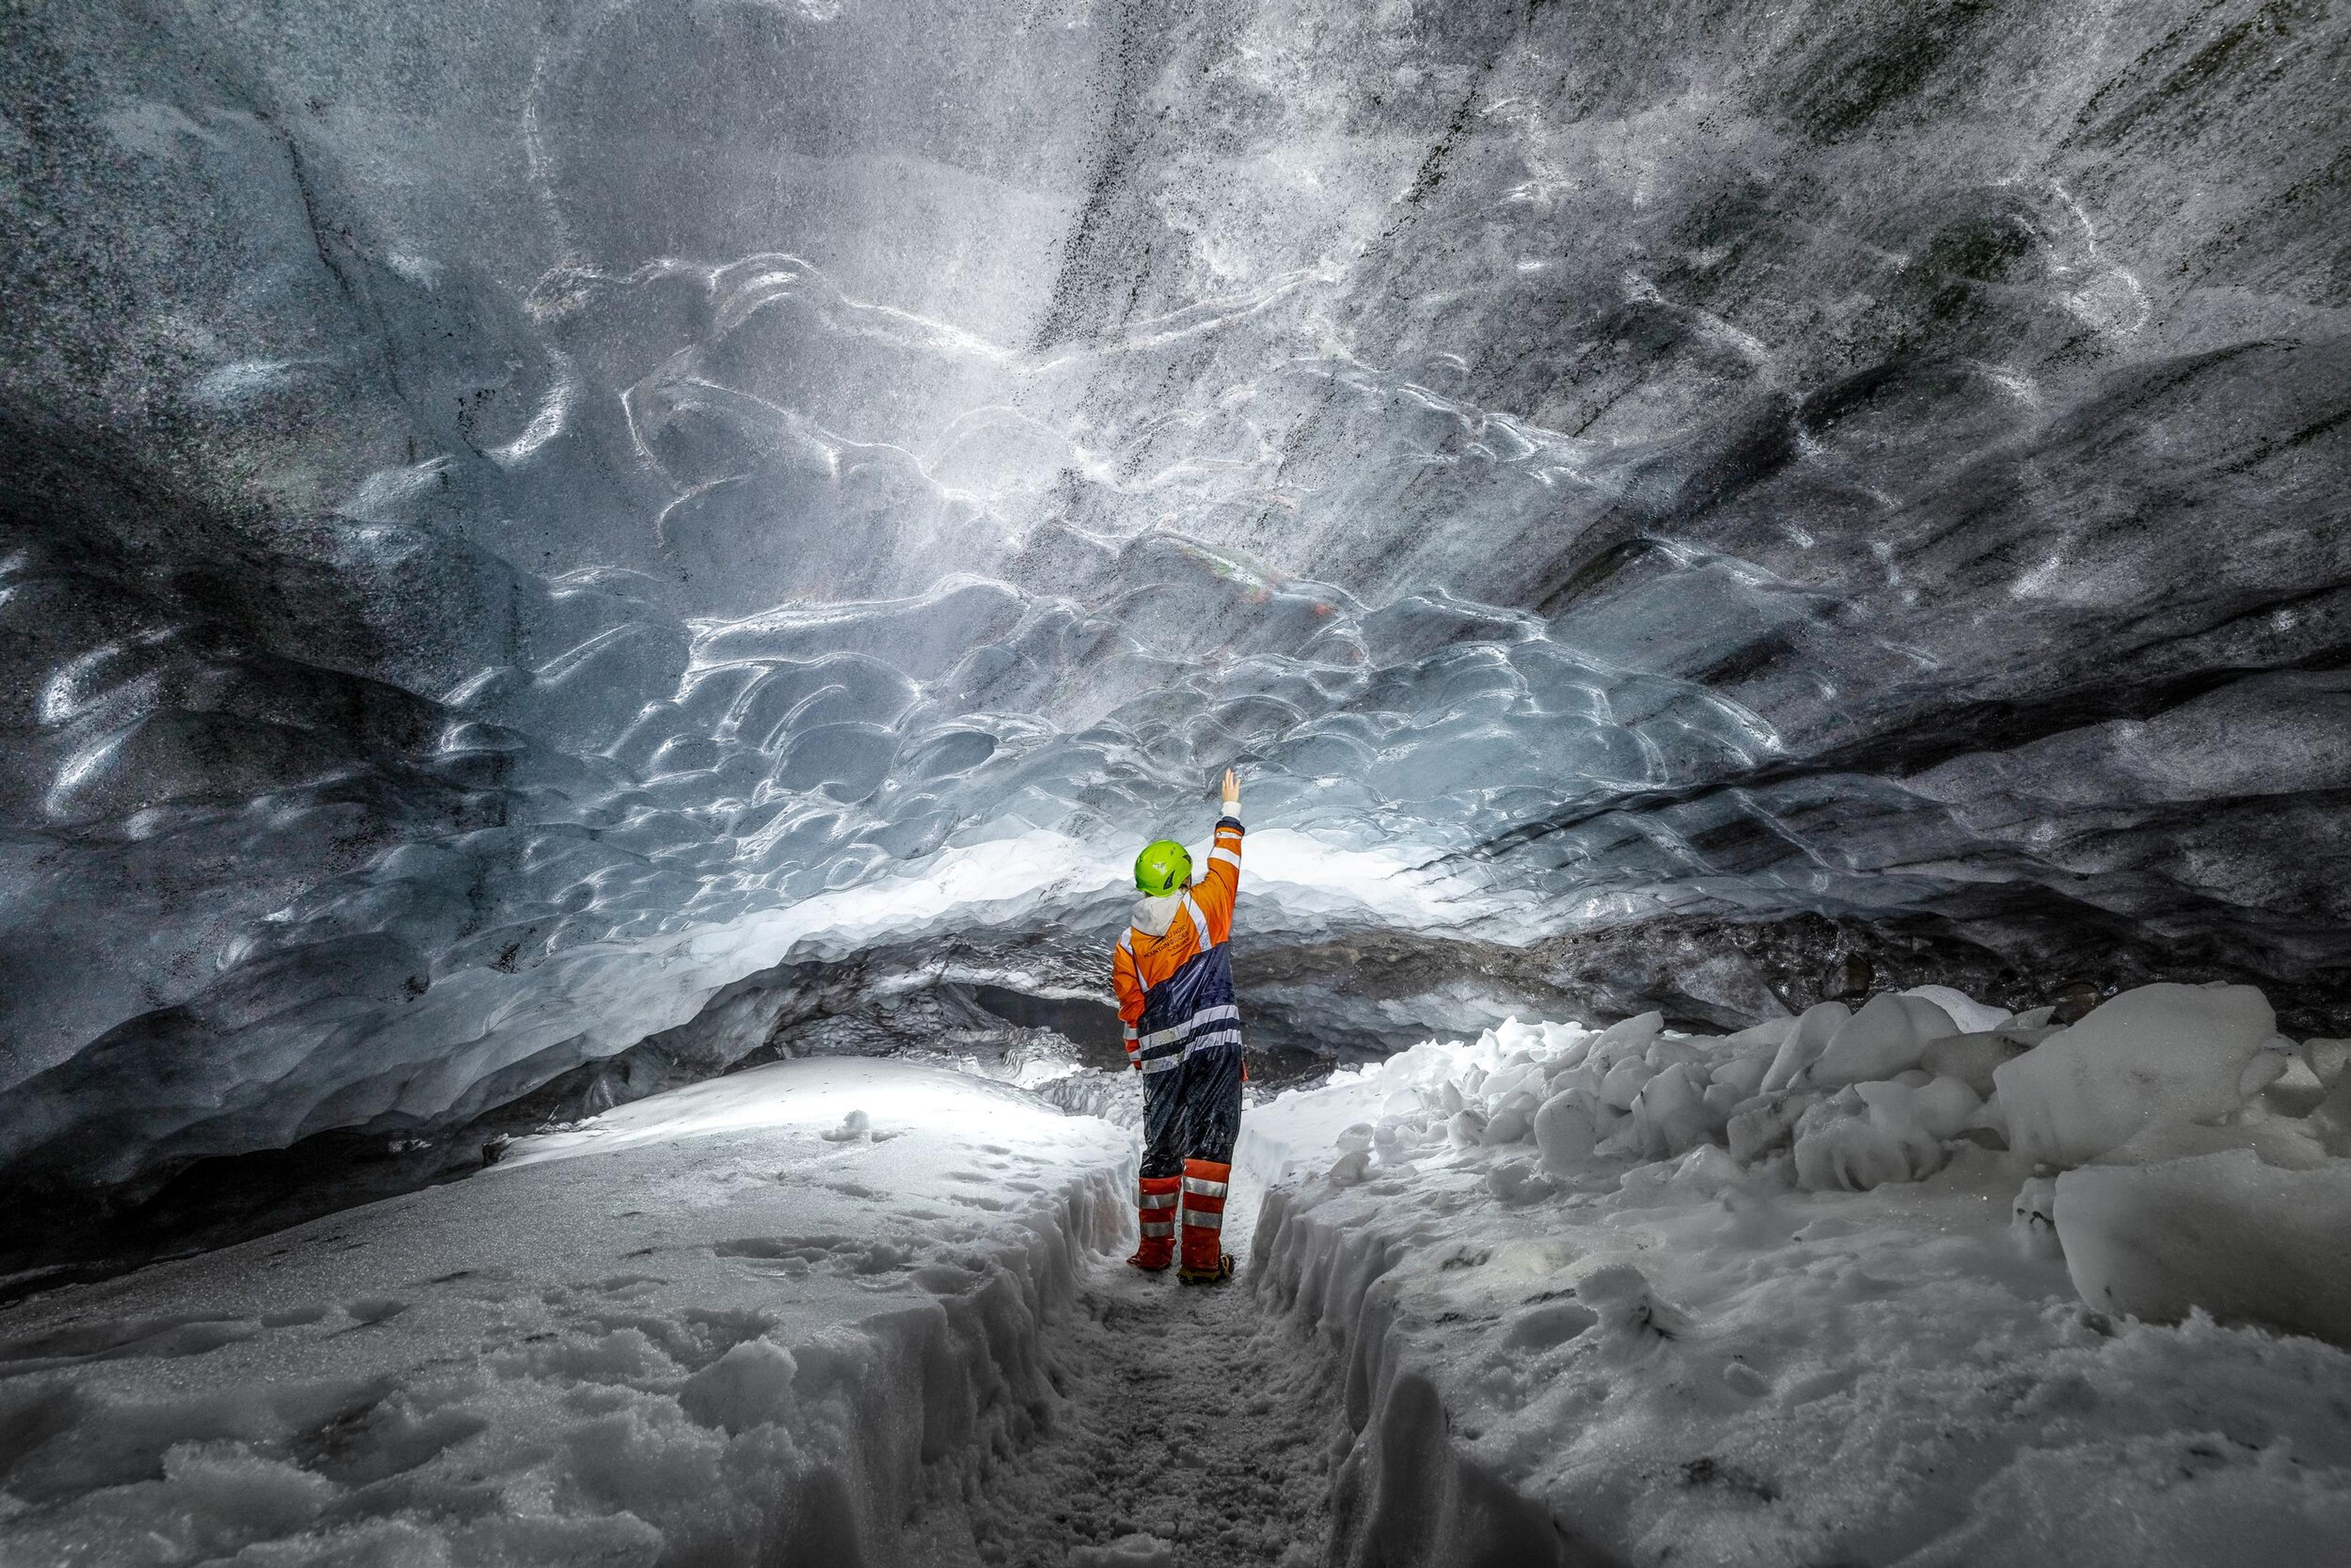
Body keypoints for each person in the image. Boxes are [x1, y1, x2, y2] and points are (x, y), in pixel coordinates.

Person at [1111, 767, 1246, 1284]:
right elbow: (1228, 863)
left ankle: (1153, 1253)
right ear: (1183, 879)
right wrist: (1229, 810)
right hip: (1214, 1051)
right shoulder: (1205, 910)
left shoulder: (1127, 944)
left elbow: (1131, 1012)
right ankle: (1200, 1261)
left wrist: (1142, 1060)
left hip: (1163, 1064)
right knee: (1209, 1151)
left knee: (1162, 1150)